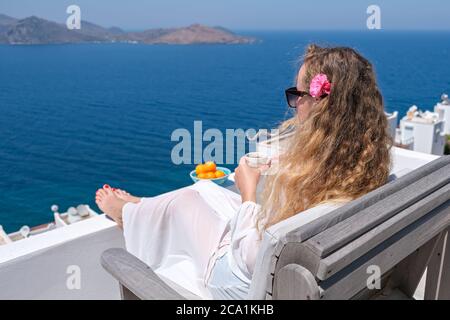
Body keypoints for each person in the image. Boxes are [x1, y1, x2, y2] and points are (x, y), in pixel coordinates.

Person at [95, 44, 392, 299]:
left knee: (186, 203)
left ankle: (127, 214)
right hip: (299, 272)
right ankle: (138, 208)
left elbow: (252, 257)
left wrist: (248, 192)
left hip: (238, 284)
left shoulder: (311, 187)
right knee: (205, 191)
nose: (295, 104)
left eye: (297, 94)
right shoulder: (362, 168)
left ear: (320, 104)